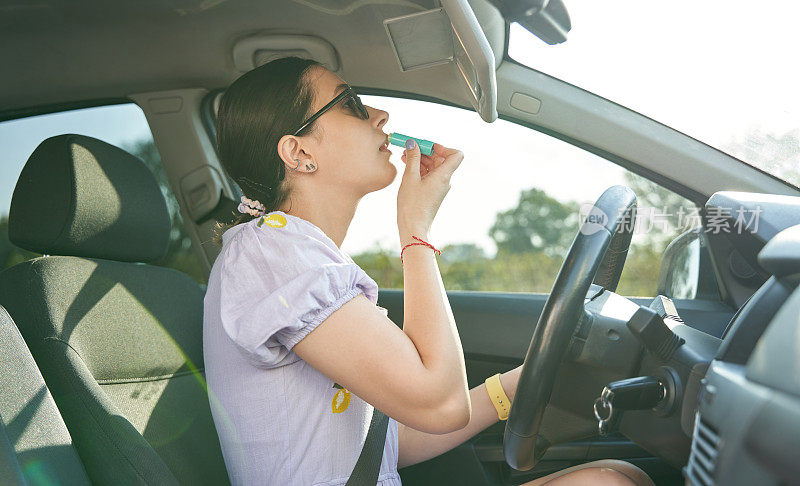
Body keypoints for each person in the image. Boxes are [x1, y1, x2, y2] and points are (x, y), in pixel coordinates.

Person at [202, 57, 654, 486]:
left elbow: (387, 441)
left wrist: (521, 383)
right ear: (298, 151)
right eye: (352, 105)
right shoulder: (273, 254)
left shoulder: (296, 256)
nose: (380, 115)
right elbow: (440, 404)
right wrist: (415, 231)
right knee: (610, 482)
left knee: (623, 473)